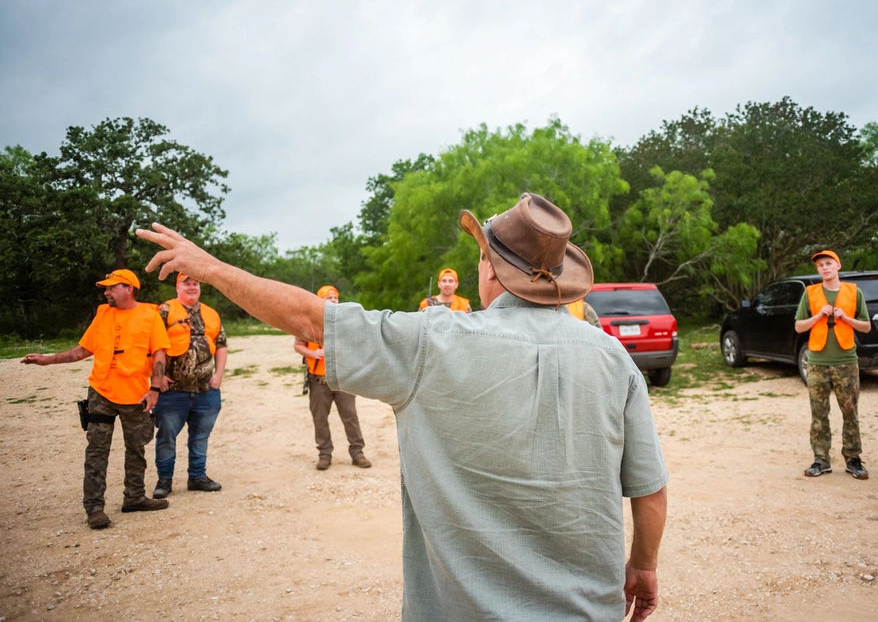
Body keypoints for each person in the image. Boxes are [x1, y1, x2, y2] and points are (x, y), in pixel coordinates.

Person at [138, 193, 668, 622]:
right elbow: (649, 488)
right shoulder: (613, 358)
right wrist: (643, 566)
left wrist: (212, 268)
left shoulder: (432, 342)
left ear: (490, 268)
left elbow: (310, 318)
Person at [21, 269, 171, 529]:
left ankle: (134, 497)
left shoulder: (150, 315)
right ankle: (94, 508)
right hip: (101, 393)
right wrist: (48, 360)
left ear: (129, 288)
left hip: (136, 395)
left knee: (136, 448)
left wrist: (155, 389)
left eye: (112, 287)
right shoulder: (103, 314)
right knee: (96, 450)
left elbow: (159, 354)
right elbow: (83, 350)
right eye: (106, 288)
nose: (106, 292)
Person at [794, 250, 872, 480]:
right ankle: (821, 460)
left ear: (838, 266)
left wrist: (846, 318)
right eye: (820, 265)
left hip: (845, 361)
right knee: (819, 413)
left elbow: (866, 326)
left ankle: (853, 459)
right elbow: (799, 326)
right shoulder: (810, 293)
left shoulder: (853, 292)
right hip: (817, 362)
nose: (825, 268)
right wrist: (818, 316)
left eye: (828, 263)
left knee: (850, 412)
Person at [152, 273, 228, 499]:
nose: (192, 287)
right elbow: (152, 346)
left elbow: (221, 345)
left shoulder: (211, 313)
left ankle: (197, 476)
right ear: (178, 286)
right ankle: (164, 481)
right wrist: (157, 378)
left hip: (206, 390)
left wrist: (219, 374)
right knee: (166, 436)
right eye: (187, 283)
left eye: (195, 283)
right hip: (172, 390)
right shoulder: (164, 310)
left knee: (200, 436)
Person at [293, 285, 372, 471]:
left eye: (336, 298)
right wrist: (314, 354)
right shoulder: (308, 323)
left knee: (350, 416)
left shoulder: (346, 322)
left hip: (343, 379)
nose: (334, 301)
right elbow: (298, 345)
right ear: (319, 301)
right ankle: (324, 454)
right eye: (329, 298)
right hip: (318, 380)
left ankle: (357, 453)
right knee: (320, 418)